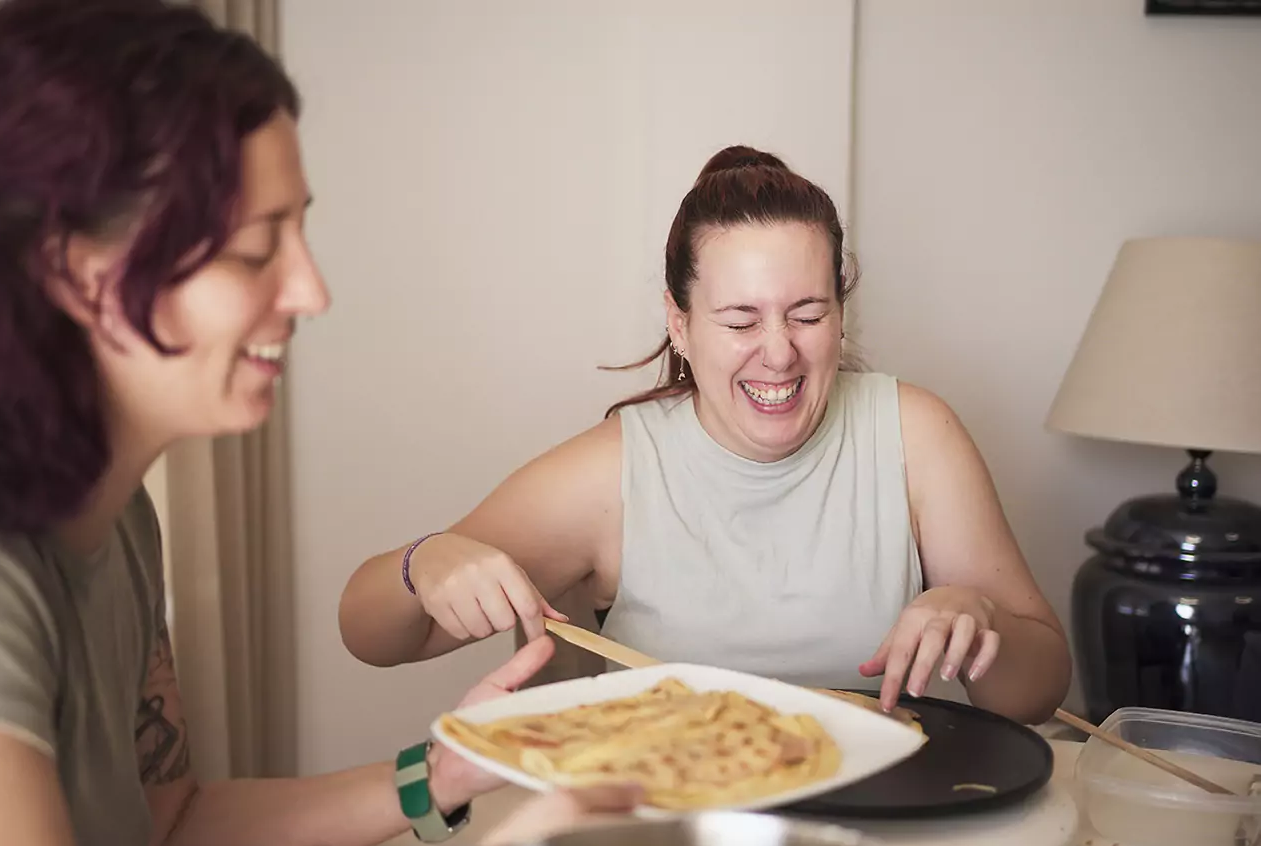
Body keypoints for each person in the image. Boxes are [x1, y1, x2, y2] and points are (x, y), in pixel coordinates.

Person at [0, 3, 634, 846]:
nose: (311, 290)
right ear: (71, 270)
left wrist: (444, 772)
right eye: (256, 249)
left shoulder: (115, 513)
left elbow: (165, 837)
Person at [340, 145, 1072, 725]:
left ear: (841, 312)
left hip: (883, 840)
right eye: (740, 320)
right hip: (662, 844)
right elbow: (370, 637)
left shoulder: (918, 434)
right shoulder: (611, 475)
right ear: (680, 322)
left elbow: (1039, 690)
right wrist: (422, 562)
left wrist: (980, 620)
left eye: (808, 314)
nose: (779, 352)